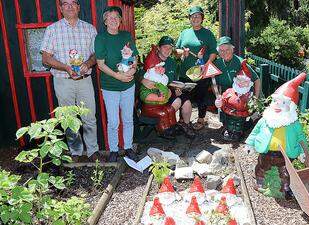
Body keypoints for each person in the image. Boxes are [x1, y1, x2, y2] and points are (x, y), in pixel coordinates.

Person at [41, 0, 99, 162]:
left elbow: (96, 55)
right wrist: (66, 67)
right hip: (63, 81)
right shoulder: (52, 29)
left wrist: (88, 63)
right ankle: (75, 152)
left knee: (89, 117)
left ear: (78, 7)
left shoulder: (89, 28)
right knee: (69, 117)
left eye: (73, 3)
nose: (69, 6)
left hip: (84, 80)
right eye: (65, 3)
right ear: (60, 9)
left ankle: (93, 150)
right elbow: (46, 59)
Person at [245, 73, 309, 199]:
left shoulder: (293, 123)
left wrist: (303, 152)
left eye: (283, 103)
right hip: (266, 151)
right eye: (276, 101)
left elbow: (301, 138)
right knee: (262, 167)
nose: (277, 106)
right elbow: (256, 131)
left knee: (285, 172)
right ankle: (260, 183)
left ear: (291, 106)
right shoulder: (266, 119)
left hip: (285, 154)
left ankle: (285, 189)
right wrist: (249, 143)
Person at [94, 6, 139, 162]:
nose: (113, 20)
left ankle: (127, 147)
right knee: (113, 121)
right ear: (105, 21)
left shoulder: (126, 36)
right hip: (110, 86)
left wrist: (131, 71)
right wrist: (118, 76)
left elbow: (134, 58)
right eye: (110, 17)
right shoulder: (101, 38)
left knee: (128, 118)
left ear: (120, 20)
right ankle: (113, 149)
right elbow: (100, 64)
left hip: (128, 84)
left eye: (116, 17)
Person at [140, 36, 195, 139]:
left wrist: (178, 88)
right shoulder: (152, 59)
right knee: (177, 101)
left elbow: (173, 80)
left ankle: (185, 125)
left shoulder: (172, 62)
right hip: (155, 95)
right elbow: (141, 75)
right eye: (165, 47)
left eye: (170, 48)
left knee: (187, 102)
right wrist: (143, 80)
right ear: (159, 48)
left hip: (169, 91)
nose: (168, 50)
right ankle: (166, 126)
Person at [175, 6, 218, 130]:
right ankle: (182, 119)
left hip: (201, 71)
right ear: (189, 18)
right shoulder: (184, 33)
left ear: (202, 18)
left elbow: (213, 52)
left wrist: (206, 64)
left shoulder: (207, 33)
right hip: (185, 72)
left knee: (202, 96)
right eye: (193, 16)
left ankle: (200, 119)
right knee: (183, 96)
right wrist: (182, 52)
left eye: (198, 16)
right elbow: (176, 50)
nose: (195, 18)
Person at [213, 36, 261, 141]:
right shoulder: (217, 63)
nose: (224, 52)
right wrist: (218, 96)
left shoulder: (240, 62)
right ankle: (230, 128)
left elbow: (256, 80)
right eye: (221, 50)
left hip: (243, 96)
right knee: (226, 118)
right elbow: (214, 82)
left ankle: (245, 125)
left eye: (227, 50)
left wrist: (255, 99)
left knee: (239, 117)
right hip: (227, 96)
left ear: (232, 49)